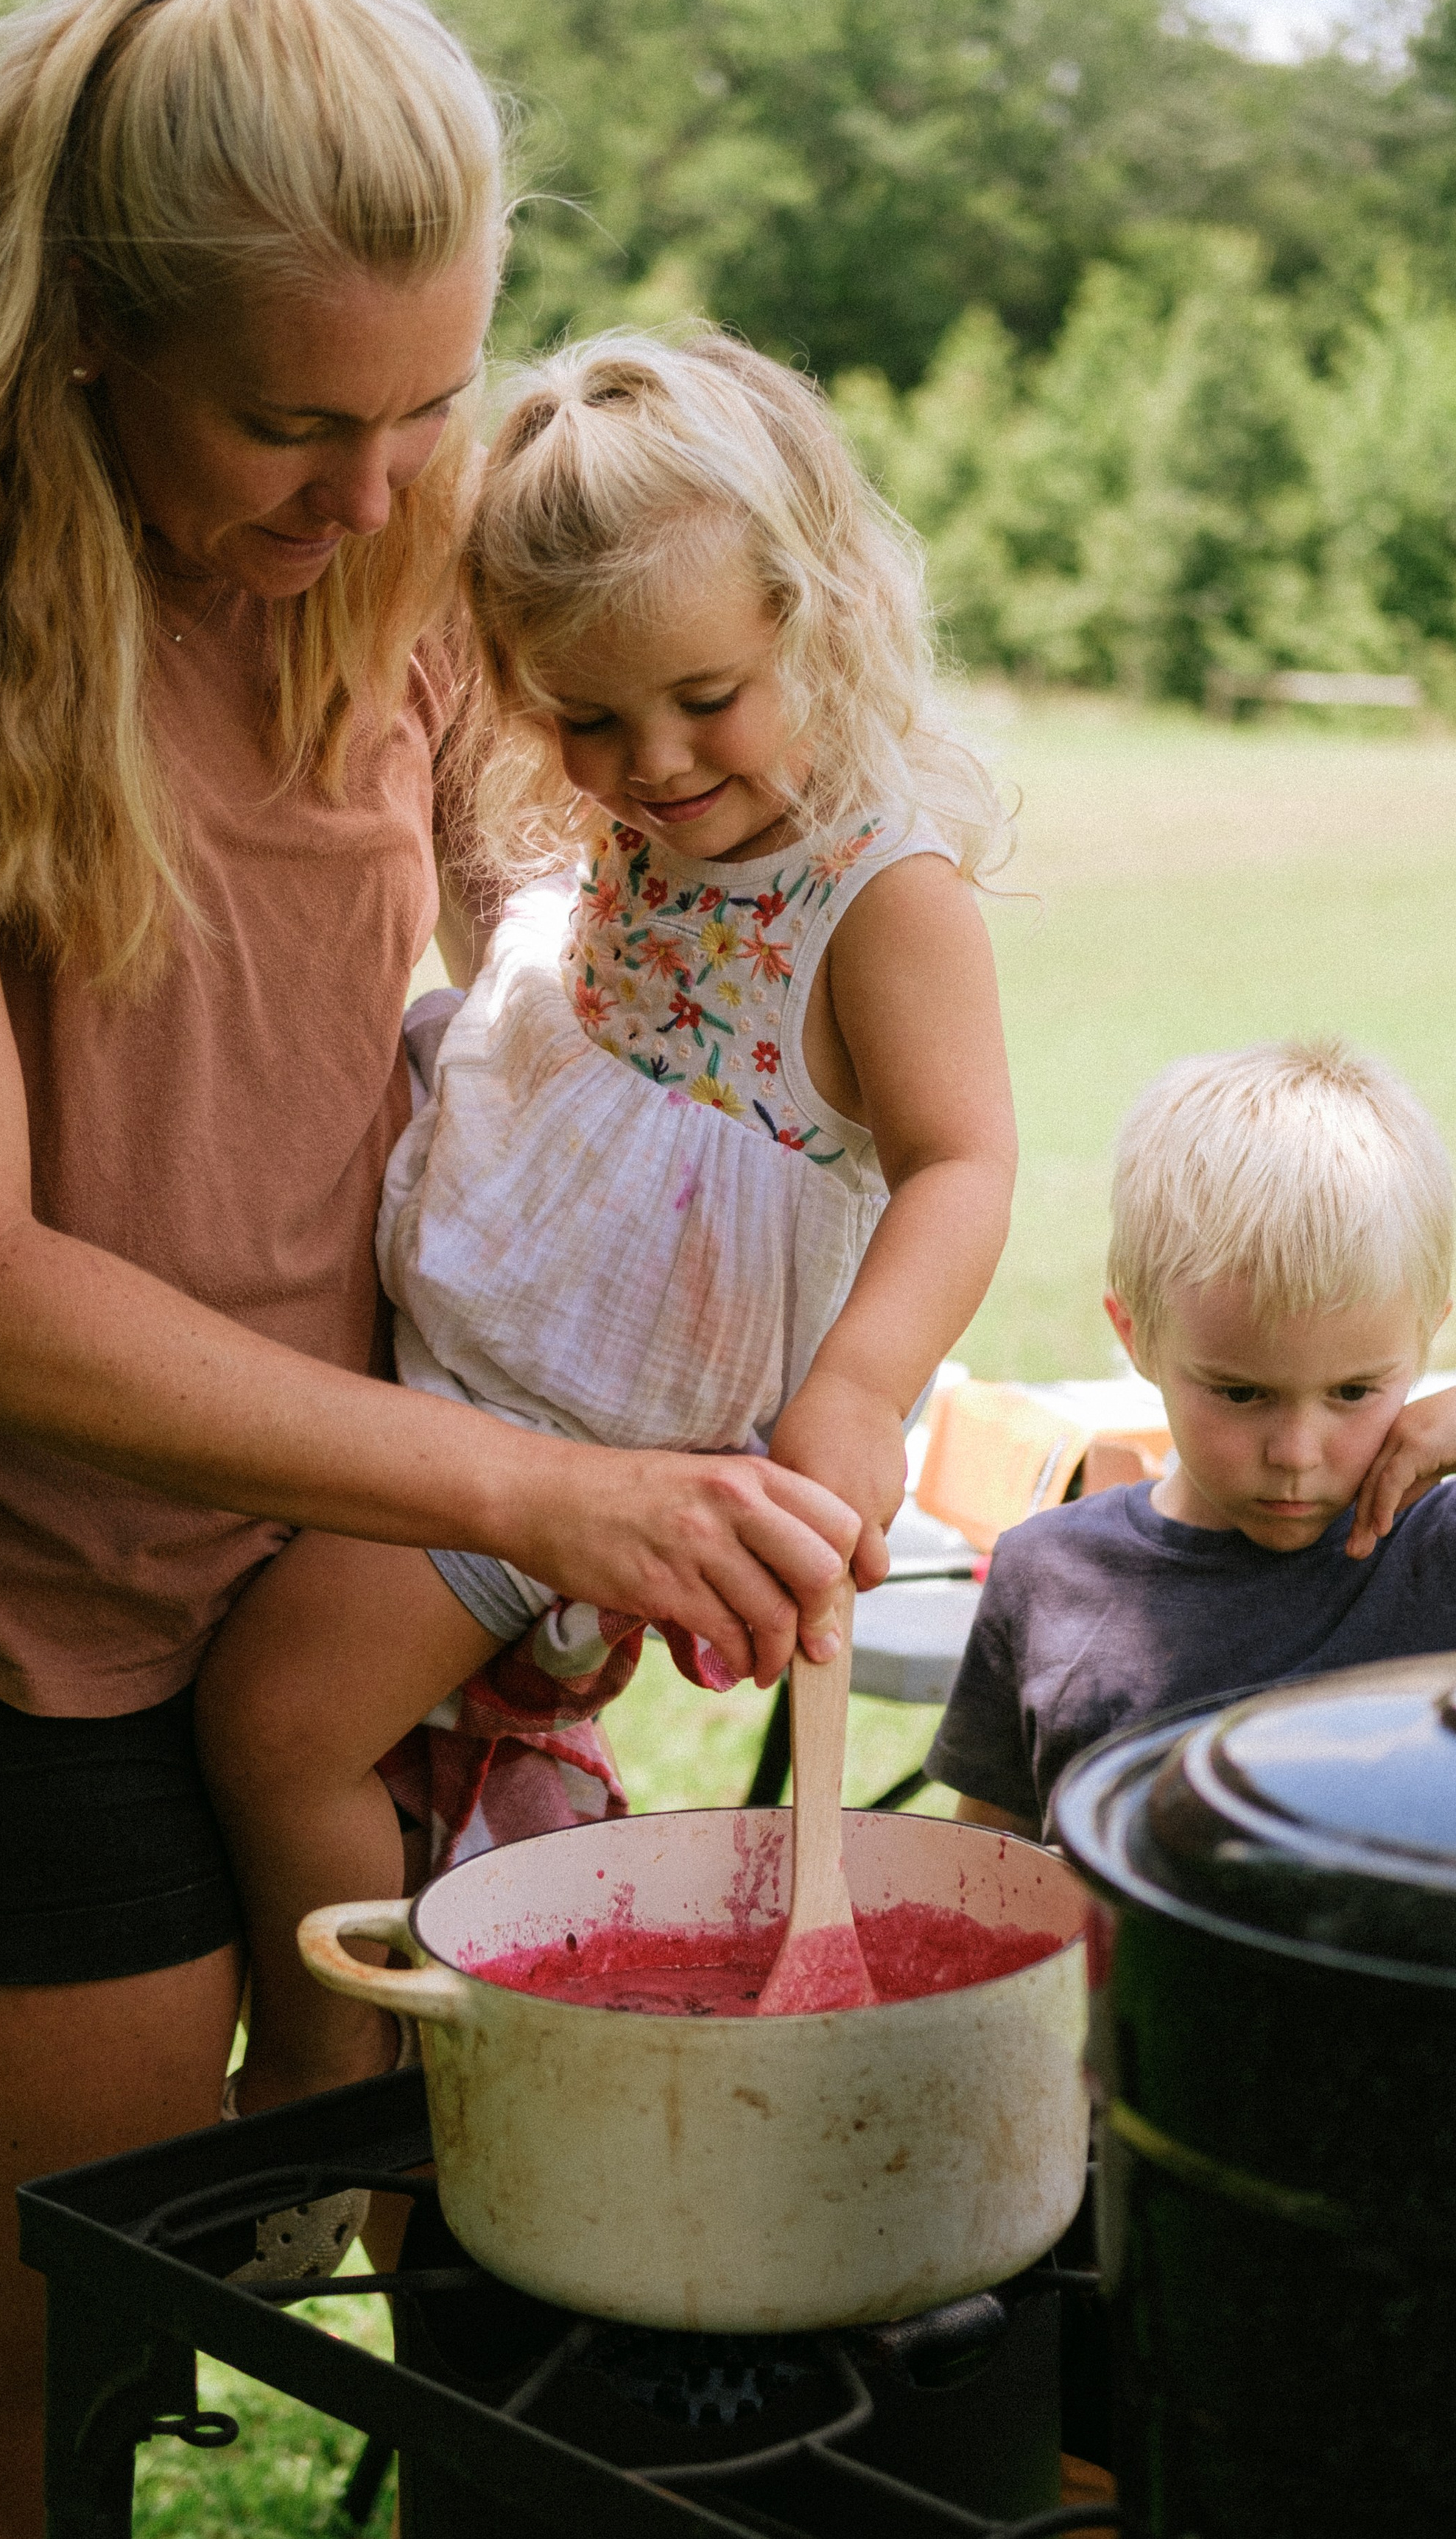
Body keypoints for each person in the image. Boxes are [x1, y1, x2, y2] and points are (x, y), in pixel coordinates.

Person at [0, 0, 861, 2539]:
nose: (382, 487)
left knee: (492, 2352)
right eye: (294, 422)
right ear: (81, 337)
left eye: (427, 406)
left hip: (358, 1576)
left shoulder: (400, 545)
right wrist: (535, 1489)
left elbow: (610, 904)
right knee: (27, 2442)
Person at [194, 328, 1021, 2118]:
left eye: (704, 694)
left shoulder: (877, 899)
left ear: (820, 613)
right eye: (582, 714)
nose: (646, 760)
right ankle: (429, 2018)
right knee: (349, 1738)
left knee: (276, 1719)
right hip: (440, 1374)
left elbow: (962, 1160)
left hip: (572, 1434)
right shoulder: (609, 833)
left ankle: (327, 2073)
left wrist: (863, 1389)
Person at [928, 1039, 1456, 1835]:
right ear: (1136, 1337)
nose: (1295, 1452)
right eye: (1241, 1392)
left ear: (1424, 1341)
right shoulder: (1050, 1579)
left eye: (1353, 1392)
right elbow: (988, 1884)